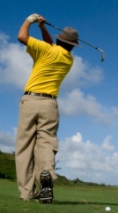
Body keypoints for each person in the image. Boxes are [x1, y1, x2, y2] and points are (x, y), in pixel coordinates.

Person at [15, 13, 80, 203]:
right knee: (45, 147)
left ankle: (27, 192)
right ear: (73, 46)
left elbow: (21, 37)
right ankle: (46, 185)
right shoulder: (68, 59)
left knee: (25, 147)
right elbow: (52, 46)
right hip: (50, 105)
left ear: (59, 40)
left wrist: (30, 20)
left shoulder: (45, 50)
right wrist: (43, 28)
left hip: (30, 101)